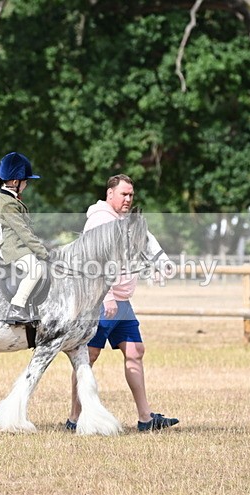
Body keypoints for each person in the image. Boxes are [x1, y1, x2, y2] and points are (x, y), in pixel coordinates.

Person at [66, 174, 179, 432]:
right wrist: (106, 296)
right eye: (123, 194)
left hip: (123, 303)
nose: (128, 199)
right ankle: (73, 419)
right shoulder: (100, 220)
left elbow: (147, 240)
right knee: (88, 357)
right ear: (110, 195)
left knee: (135, 352)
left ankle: (145, 419)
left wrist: (162, 264)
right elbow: (91, 261)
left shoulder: (126, 220)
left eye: (131, 195)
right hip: (100, 302)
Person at [0, 152, 49, 324]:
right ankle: (17, 307)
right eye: (26, 181)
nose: (27, 184)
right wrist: (43, 252)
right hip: (13, 249)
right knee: (37, 268)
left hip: (19, 246)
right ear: (15, 182)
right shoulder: (8, 203)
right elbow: (23, 231)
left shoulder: (11, 198)